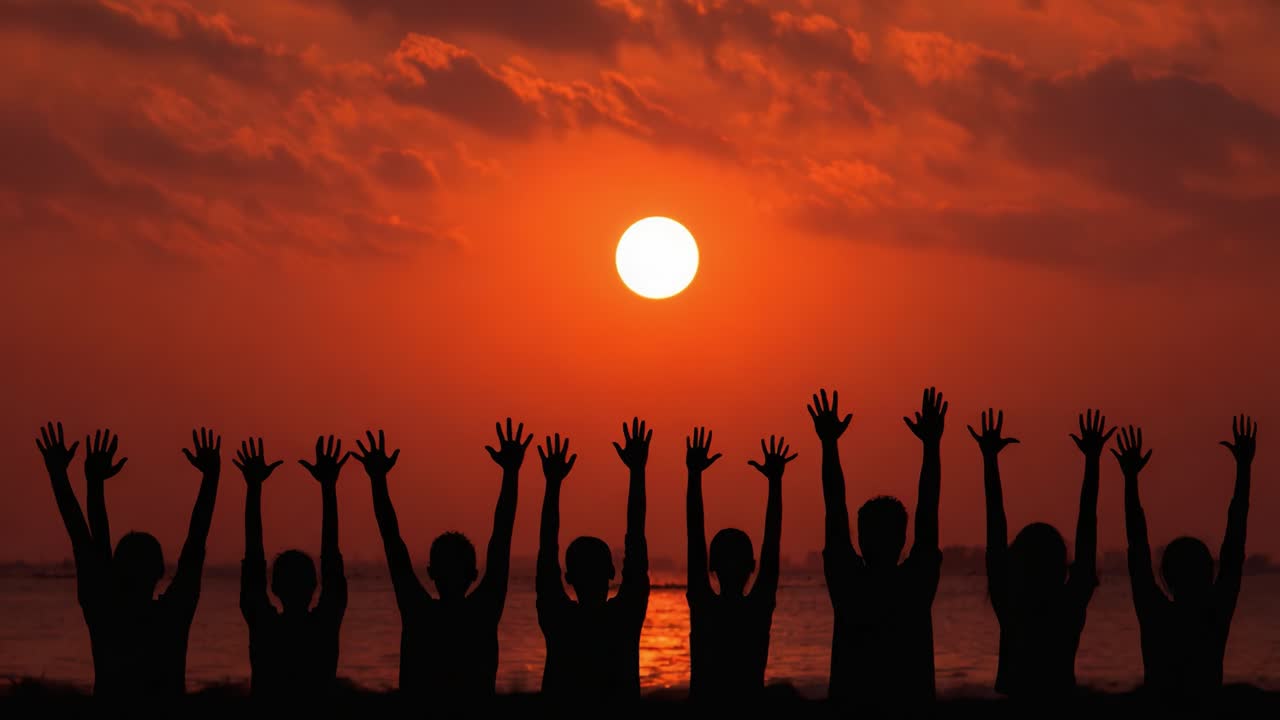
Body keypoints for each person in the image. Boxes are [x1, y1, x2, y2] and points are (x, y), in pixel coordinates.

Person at [36, 423, 221, 697]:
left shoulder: (106, 615)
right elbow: (195, 542)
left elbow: (86, 544)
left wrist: (71, 478)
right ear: (159, 570)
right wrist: (211, 478)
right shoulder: (172, 616)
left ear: (117, 570)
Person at [351, 422, 526, 699]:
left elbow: (393, 542)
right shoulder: (482, 610)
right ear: (473, 573)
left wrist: (378, 481)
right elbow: (502, 536)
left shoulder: (419, 612)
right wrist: (511, 473)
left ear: (431, 572)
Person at [812, 387, 946, 708]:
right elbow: (928, 512)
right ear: (902, 540)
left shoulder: (849, 584)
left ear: (860, 539)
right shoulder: (916, 583)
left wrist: (829, 445)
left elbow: (835, 510)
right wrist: (931, 446)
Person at [1120, 417, 1256, 702]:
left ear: (1167, 576)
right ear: (1208, 572)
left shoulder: (1155, 614)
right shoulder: (1215, 613)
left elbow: (1137, 549)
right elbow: (1234, 544)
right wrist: (1244, 470)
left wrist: (1130, 480)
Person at [977, 408, 1109, 698]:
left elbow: (995, 530)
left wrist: (989, 460)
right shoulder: (1068, 604)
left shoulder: (1010, 604)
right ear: (1061, 564)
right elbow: (1088, 525)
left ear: (1016, 563)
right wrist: (1092, 460)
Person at [537, 419, 651, 704]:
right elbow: (636, 541)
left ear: (568, 577)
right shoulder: (624, 616)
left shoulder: (559, 618)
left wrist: (552, 486)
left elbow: (546, 551)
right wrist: (637, 472)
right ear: (612, 572)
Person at [686, 428, 793, 703]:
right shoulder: (757, 607)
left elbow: (695, 538)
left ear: (712, 566)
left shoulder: (704, 606)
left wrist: (694, 476)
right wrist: (775, 483)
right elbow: (772, 545)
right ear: (752, 566)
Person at [238, 435, 349, 696]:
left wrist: (254, 489)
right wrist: (329, 488)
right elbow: (332, 561)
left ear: (274, 586)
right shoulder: (323, 625)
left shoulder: (265, 627)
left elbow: (253, 563)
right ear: (314, 584)